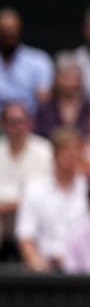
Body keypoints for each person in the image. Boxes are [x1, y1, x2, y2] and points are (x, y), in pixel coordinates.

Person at [15, 129, 89, 272]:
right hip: (45, 271)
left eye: (75, 152)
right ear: (55, 154)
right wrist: (36, 262)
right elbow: (25, 234)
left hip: (83, 271)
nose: (71, 157)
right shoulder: (34, 190)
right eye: (66, 152)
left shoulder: (89, 190)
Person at [0, 102, 52, 263]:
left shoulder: (44, 149)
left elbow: (47, 190)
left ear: (30, 123)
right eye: (12, 121)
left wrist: (13, 205)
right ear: (3, 124)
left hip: (34, 214)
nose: (17, 126)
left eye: (20, 121)